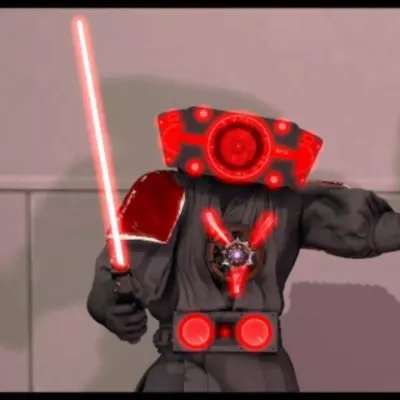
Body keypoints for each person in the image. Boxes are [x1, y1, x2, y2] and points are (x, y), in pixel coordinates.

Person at [87, 106, 400, 392]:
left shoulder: (287, 202)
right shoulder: (165, 193)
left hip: (260, 365)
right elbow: (119, 274)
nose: (237, 149)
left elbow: (374, 231)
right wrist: (110, 306)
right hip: (183, 364)